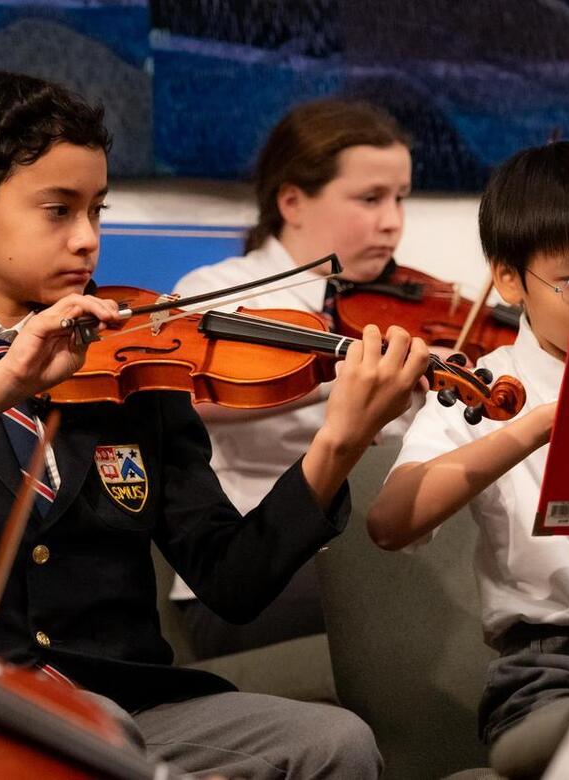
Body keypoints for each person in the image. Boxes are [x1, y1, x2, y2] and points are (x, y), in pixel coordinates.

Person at [0, 71, 430, 779]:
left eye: (97, 211)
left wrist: (338, 445)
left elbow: (232, 581)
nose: (88, 241)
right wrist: (0, 383)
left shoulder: (137, 354)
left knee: (333, 742)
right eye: (58, 211)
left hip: (134, 706)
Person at [366, 141, 569, 754]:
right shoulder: (487, 388)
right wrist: (533, 428)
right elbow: (390, 521)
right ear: (509, 279)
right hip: (555, 669)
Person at [169, 98, 415, 658]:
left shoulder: (400, 304)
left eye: (400, 198)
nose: (392, 222)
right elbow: (183, 395)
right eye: (370, 198)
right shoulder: (223, 292)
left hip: (374, 554)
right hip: (255, 568)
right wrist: (339, 376)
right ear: (292, 201)